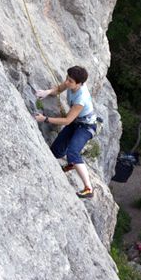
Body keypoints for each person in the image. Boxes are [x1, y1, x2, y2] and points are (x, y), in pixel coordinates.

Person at [34, 65, 98, 199]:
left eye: (70, 81)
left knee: (73, 152)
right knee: (55, 152)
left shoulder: (81, 98)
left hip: (86, 127)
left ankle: (88, 188)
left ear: (79, 83)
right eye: (67, 78)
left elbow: (67, 120)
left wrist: (45, 119)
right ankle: (71, 163)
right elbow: (58, 89)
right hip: (76, 123)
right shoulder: (71, 83)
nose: (67, 82)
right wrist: (46, 92)